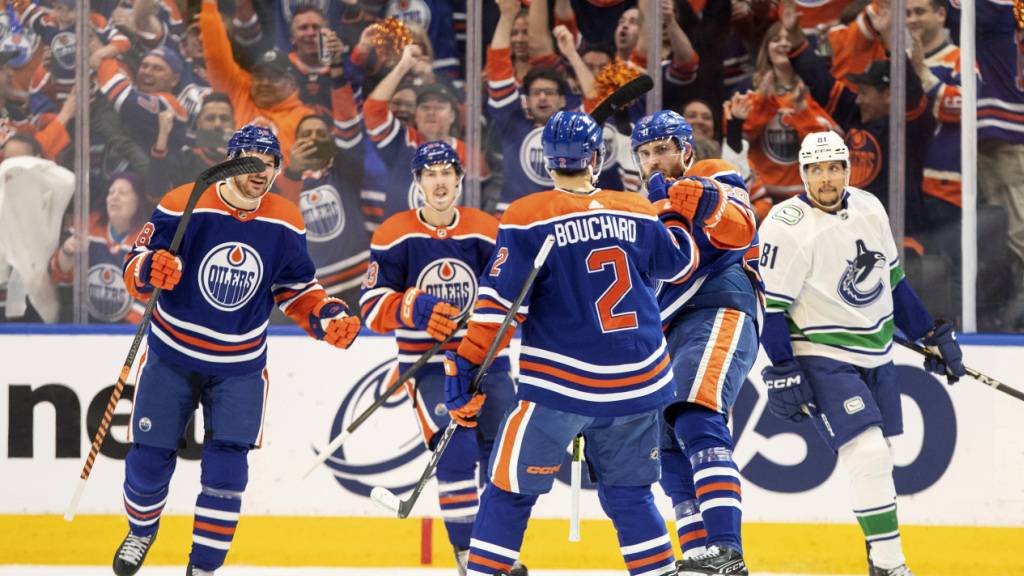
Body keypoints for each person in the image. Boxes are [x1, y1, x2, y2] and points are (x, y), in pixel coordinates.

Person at [444, 111, 697, 576]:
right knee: (631, 496)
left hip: (560, 387)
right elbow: (679, 263)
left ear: (547, 162)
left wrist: (465, 367)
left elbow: (499, 308)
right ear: (596, 158)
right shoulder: (637, 208)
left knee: (509, 491)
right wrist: (667, 206)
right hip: (639, 383)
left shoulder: (527, 216)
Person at [111, 125, 361, 576]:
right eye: (251, 161)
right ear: (229, 162)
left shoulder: (285, 219)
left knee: (227, 474)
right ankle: (141, 531)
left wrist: (326, 315)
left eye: (270, 163)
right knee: (148, 458)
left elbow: (297, 288)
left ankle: (204, 567)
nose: (260, 171)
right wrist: (150, 268)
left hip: (239, 367)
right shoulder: (183, 202)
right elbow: (134, 263)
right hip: (171, 356)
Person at [758, 131, 966, 576]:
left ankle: (878, 559)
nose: (826, 179)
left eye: (834, 168)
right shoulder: (785, 225)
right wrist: (783, 367)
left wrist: (930, 333)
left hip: (876, 354)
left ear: (848, 170)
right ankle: (891, 565)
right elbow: (770, 308)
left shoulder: (870, 208)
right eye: (816, 170)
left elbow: (893, 282)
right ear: (803, 174)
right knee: (867, 452)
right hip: (820, 353)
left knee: (879, 457)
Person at [358, 141, 520, 576]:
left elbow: (512, 295)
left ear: (460, 179)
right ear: (418, 182)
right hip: (429, 367)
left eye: (447, 172)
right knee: (455, 452)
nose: (440, 181)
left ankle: (495, 553)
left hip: (488, 362)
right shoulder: (394, 233)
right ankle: (468, 556)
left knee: (500, 457)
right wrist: (412, 307)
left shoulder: (486, 229)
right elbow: (370, 307)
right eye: (430, 174)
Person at [630, 110, 760, 574]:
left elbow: (742, 227)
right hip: (664, 330)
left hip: (719, 305)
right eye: (645, 153)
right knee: (666, 447)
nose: (653, 161)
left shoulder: (712, 173)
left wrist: (703, 202)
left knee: (695, 413)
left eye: (662, 149)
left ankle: (727, 548)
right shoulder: (641, 209)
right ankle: (701, 554)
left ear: (685, 149)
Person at [49, 173, 152, 323]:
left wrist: (119, 329)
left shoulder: (150, 240)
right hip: (86, 320)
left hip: (126, 326)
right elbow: (58, 276)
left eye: (123, 193)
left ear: (138, 201)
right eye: (111, 192)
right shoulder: (88, 226)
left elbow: (150, 297)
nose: (114, 197)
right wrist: (67, 252)